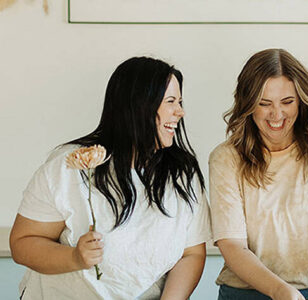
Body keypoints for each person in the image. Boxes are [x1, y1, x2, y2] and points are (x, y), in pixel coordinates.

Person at [9, 56, 211, 299]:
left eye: (179, 101)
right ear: (139, 106)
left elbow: (191, 253)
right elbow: (23, 243)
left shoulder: (183, 174)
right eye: (170, 101)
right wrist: (74, 258)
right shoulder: (71, 165)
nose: (180, 111)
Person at [209, 48, 308, 300]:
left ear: (302, 101)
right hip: (244, 292)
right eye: (264, 103)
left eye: (287, 102)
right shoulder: (226, 158)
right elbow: (232, 245)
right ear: (248, 105)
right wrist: (282, 292)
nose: (277, 115)